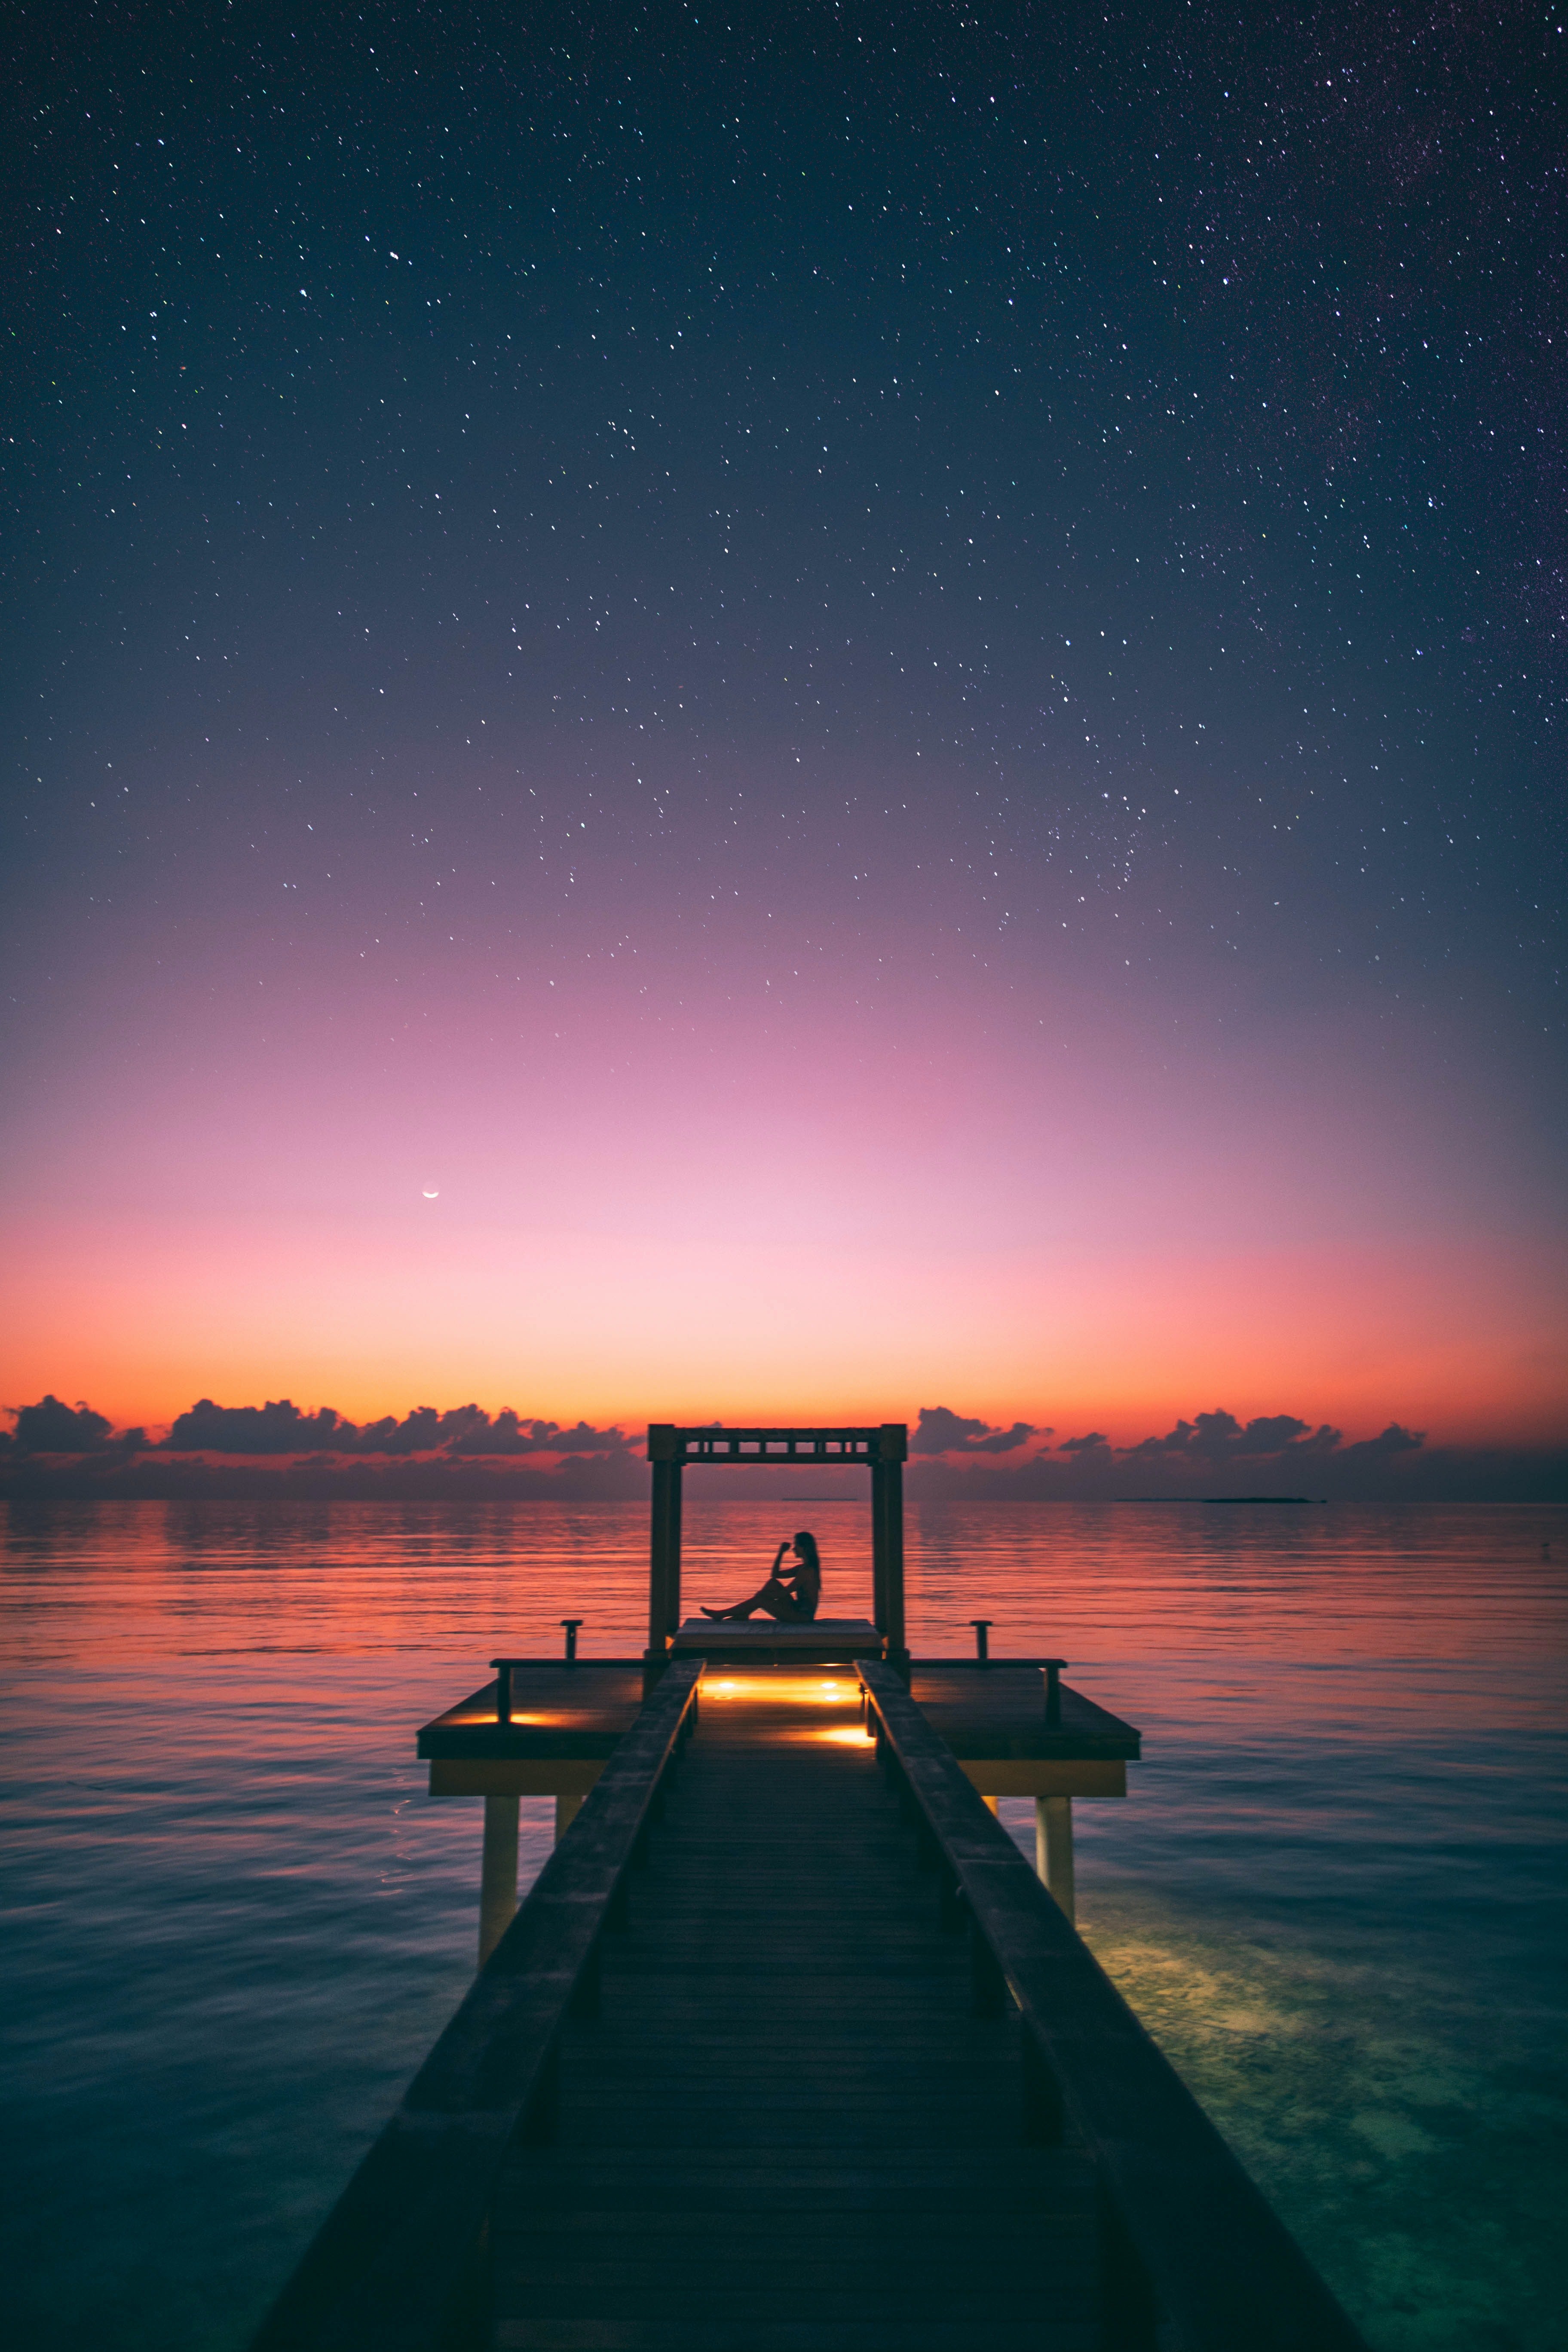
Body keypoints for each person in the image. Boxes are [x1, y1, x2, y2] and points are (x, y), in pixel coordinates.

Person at [701, 1531, 822, 1622]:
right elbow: (775, 1575)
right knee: (772, 1583)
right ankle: (744, 1614)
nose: (794, 1549)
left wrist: (762, 1596)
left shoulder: (807, 1571)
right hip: (796, 1608)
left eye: (796, 1546)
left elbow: (783, 1593)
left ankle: (722, 1614)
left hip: (803, 1617)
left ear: (804, 1548)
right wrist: (781, 1553)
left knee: (760, 1599)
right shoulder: (802, 1568)